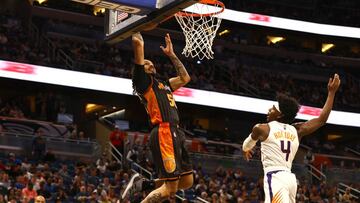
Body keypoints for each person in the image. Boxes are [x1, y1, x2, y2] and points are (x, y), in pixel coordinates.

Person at [242, 74, 340, 203]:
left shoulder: (261, 128)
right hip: (290, 179)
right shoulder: (297, 130)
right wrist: (331, 93)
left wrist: (245, 150)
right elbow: (322, 119)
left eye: (272, 109)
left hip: (275, 176)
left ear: (280, 114)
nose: (269, 110)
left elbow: (246, 145)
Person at [121, 32, 193, 202]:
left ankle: (143, 184)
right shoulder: (142, 82)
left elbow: (185, 78)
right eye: (146, 63)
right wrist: (136, 26)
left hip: (176, 131)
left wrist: (172, 55)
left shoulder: (164, 83)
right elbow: (138, 43)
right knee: (170, 189)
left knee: (187, 181)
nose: (150, 64)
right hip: (164, 132)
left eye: (152, 63)